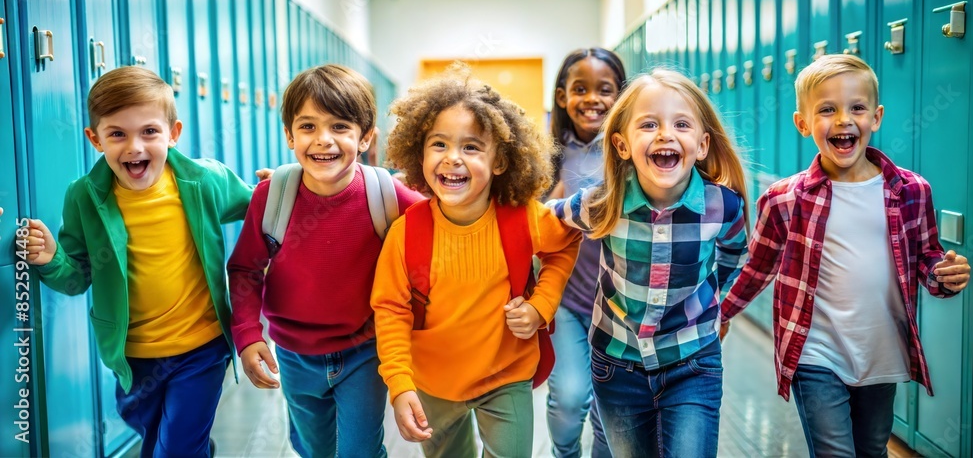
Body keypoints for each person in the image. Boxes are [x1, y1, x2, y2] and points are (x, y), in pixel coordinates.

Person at [719, 54, 971, 458]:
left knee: (872, 449)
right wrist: (720, 313)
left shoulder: (911, 191)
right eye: (826, 110)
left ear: (877, 116)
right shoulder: (784, 199)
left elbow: (926, 258)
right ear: (803, 123)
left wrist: (945, 275)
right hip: (813, 351)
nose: (843, 120)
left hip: (880, 349)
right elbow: (757, 267)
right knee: (835, 452)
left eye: (856, 108)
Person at [19, 66, 252, 457]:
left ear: (173, 134)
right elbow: (76, 276)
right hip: (133, 358)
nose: (135, 148)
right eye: (117, 135)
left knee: (174, 447)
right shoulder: (84, 197)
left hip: (202, 346)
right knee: (155, 435)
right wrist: (50, 258)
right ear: (95, 139)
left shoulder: (203, 180)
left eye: (149, 132)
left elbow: (256, 206)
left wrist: (283, 186)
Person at [371, 65, 582, 458]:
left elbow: (566, 243)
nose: (453, 159)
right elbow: (390, 310)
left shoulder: (524, 218)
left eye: (471, 147)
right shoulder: (407, 232)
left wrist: (541, 306)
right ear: (419, 153)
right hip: (432, 381)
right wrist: (399, 384)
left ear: (500, 161)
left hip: (508, 374)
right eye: (439, 144)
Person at [547, 68, 749, 457]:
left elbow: (733, 254)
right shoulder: (602, 202)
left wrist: (714, 305)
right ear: (622, 145)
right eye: (649, 124)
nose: (665, 134)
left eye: (681, 124)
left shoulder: (722, 206)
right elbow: (546, 218)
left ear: (702, 144)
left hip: (693, 360)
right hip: (617, 364)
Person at [227, 64, 422, 458]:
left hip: (365, 351)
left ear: (366, 137)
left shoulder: (388, 196)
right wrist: (247, 335)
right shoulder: (271, 196)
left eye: (339, 127)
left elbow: (446, 227)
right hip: (294, 354)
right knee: (313, 449)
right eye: (308, 127)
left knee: (359, 451)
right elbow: (245, 269)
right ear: (289, 135)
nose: (323, 141)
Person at [545, 47, 626, 458]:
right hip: (569, 300)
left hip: (622, 307)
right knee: (571, 398)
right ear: (563, 97)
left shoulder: (631, 150)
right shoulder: (549, 152)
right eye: (580, 89)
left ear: (621, 95)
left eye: (605, 89)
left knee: (610, 415)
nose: (592, 99)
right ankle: (565, 453)